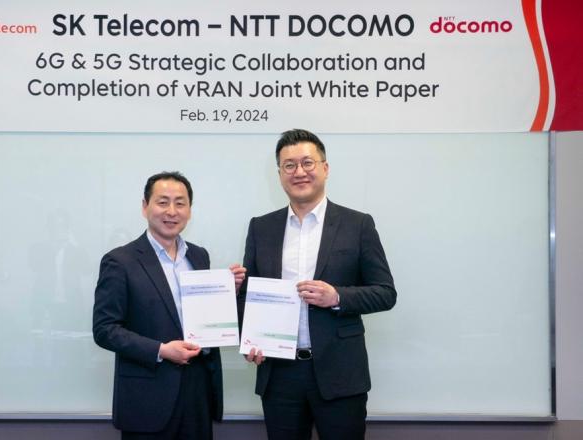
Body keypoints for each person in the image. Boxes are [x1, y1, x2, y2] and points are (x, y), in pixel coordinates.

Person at [238, 129, 397, 440]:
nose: (299, 172)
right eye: (289, 165)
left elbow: (385, 292)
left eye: (307, 163)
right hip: (279, 374)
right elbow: (248, 296)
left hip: (340, 374)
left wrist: (336, 296)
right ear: (279, 175)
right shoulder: (261, 227)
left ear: (325, 168)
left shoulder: (358, 224)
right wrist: (250, 341)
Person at [93, 171, 245, 440]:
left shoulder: (199, 256)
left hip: (197, 393)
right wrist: (162, 350)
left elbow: (201, 318)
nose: (172, 211)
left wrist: (226, 295)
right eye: (162, 202)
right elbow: (105, 329)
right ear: (145, 206)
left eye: (180, 203)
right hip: (147, 398)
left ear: (190, 210)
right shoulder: (120, 261)